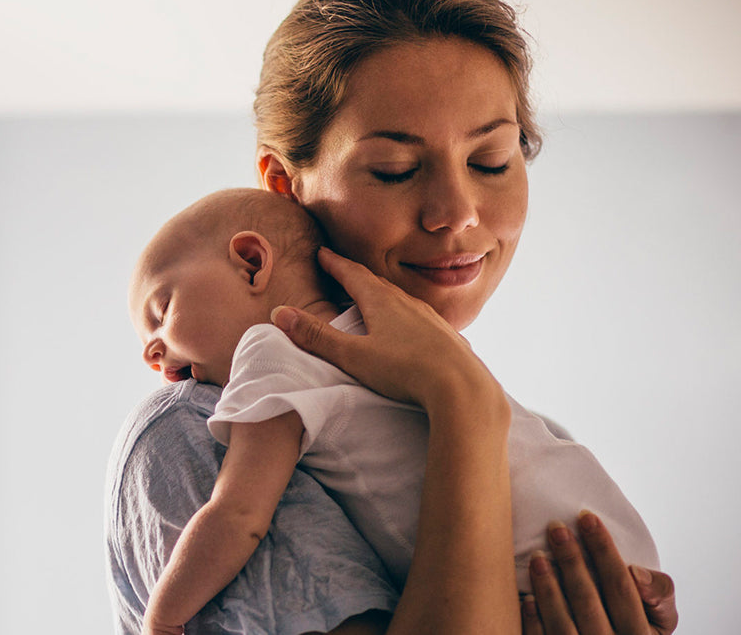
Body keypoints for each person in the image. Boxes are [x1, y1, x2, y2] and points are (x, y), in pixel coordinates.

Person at [105, 0, 679, 633]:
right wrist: (462, 406)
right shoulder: (196, 435)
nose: (456, 214)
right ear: (284, 185)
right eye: (395, 170)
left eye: (492, 159)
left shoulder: (528, 444)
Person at [127, 188, 660, 635]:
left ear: (251, 262)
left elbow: (238, 515)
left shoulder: (272, 353)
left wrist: (163, 617)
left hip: (535, 573)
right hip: (611, 550)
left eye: (162, 311)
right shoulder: (403, 341)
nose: (152, 352)